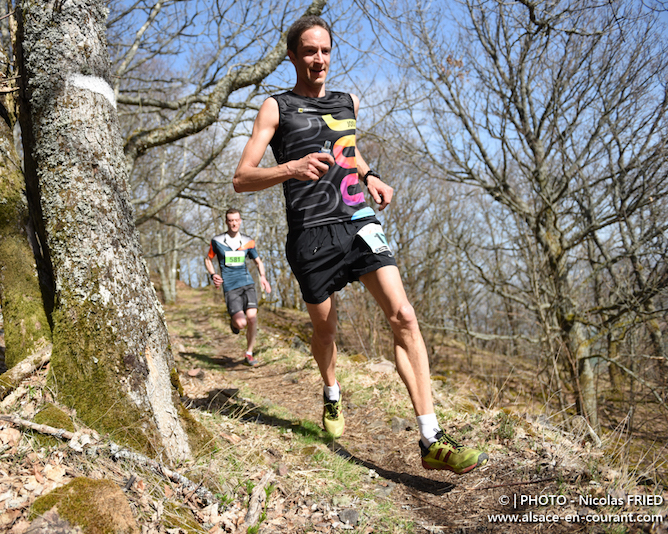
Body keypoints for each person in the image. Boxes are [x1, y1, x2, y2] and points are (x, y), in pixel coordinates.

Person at [232, 15, 488, 474]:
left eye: (325, 50)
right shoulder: (276, 107)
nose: (319, 59)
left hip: (358, 219)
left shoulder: (347, 101)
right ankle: (331, 390)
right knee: (326, 331)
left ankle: (431, 436)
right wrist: (290, 169)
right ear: (293, 56)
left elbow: (347, 147)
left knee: (404, 315)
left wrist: (370, 175)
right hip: (310, 233)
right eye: (309, 51)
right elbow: (241, 178)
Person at [205, 209, 272, 366]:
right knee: (241, 323)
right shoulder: (217, 241)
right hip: (230, 287)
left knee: (252, 318)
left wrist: (263, 277)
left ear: (240, 221)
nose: (234, 223)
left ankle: (249, 353)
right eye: (230, 220)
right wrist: (213, 274)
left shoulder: (248, 241)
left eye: (236, 220)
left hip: (247, 283)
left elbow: (258, 261)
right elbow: (208, 259)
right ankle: (234, 323)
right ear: (227, 222)